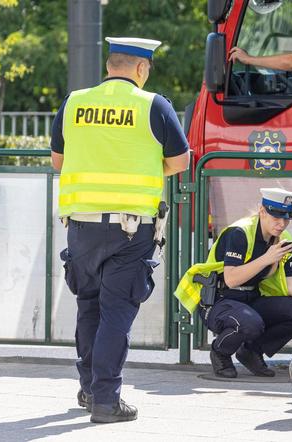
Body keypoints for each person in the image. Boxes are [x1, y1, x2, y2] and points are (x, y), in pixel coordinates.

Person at [50, 37, 190, 423]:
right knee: (116, 313)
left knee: (88, 306)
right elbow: (179, 162)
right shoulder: (153, 104)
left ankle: (89, 389)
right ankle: (106, 401)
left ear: (110, 66)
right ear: (142, 69)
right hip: (131, 230)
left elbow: (58, 160)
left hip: (81, 227)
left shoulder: (74, 101)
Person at [174, 188, 292, 379]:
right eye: (276, 218)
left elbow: (290, 282)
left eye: (286, 218)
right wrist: (267, 258)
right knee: (251, 323)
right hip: (220, 300)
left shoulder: (283, 239)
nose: (282, 224)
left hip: (251, 298)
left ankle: (251, 351)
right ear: (262, 211)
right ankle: (220, 352)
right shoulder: (239, 233)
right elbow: (231, 278)